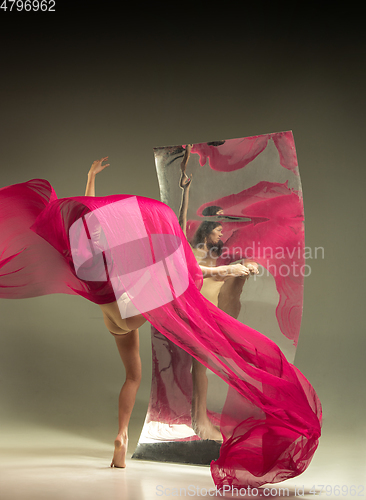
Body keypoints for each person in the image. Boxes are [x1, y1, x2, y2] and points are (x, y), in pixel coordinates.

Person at [0, 159, 322, 489]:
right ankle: (122, 435)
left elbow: (82, 216)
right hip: (128, 313)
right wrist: (220, 270)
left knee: (133, 374)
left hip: (111, 319)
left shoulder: (83, 255)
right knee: (172, 280)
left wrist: (90, 178)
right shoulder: (118, 257)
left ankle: (121, 438)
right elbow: (156, 251)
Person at [178, 146, 259, 441]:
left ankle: (199, 418)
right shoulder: (193, 251)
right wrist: (184, 188)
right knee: (199, 366)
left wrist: (242, 268)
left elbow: (222, 273)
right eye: (219, 226)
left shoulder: (215, 252)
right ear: (207, 227)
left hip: (212, 314)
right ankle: (198, 421)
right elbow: (197, 272)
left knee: (204, 366)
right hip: (195, 315)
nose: (223, 230)